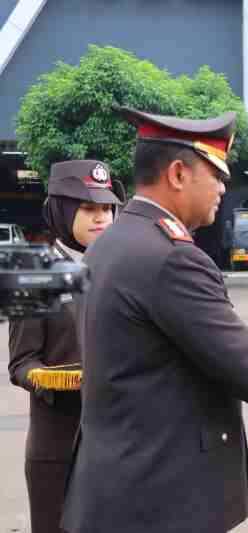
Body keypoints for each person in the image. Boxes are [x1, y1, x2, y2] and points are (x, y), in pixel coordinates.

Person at [61, 108, 248, 533]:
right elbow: (238, 358)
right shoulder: (171, 257)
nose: (224, 186)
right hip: (160, 498)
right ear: (179, 174)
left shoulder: (108, 244)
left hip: (116, 486)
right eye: (217, 174)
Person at [7, 160, 123, 533]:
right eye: (88, 208)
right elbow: (21, 364)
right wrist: (60, 379)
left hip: (118, 449)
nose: (100, 217)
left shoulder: (124, 272)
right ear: (61, 210)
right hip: (59, 451)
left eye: (107, 207)